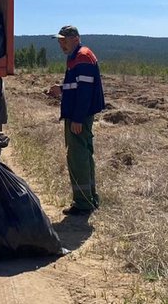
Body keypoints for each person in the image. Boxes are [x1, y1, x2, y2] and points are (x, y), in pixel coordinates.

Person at [46, 25, 106, 216]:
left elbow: (85, 92)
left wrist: (78, 118)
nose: (61, 44)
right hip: (75, 114)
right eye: (59, 40)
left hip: (79, 117)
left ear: (76, 38)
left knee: (78, 158)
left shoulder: (82, 57)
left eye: (64, 40)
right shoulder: (75, 57)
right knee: (82, 156)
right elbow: (77, 86)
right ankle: (89, 198)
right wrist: (61, 89)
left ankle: (83, 203)